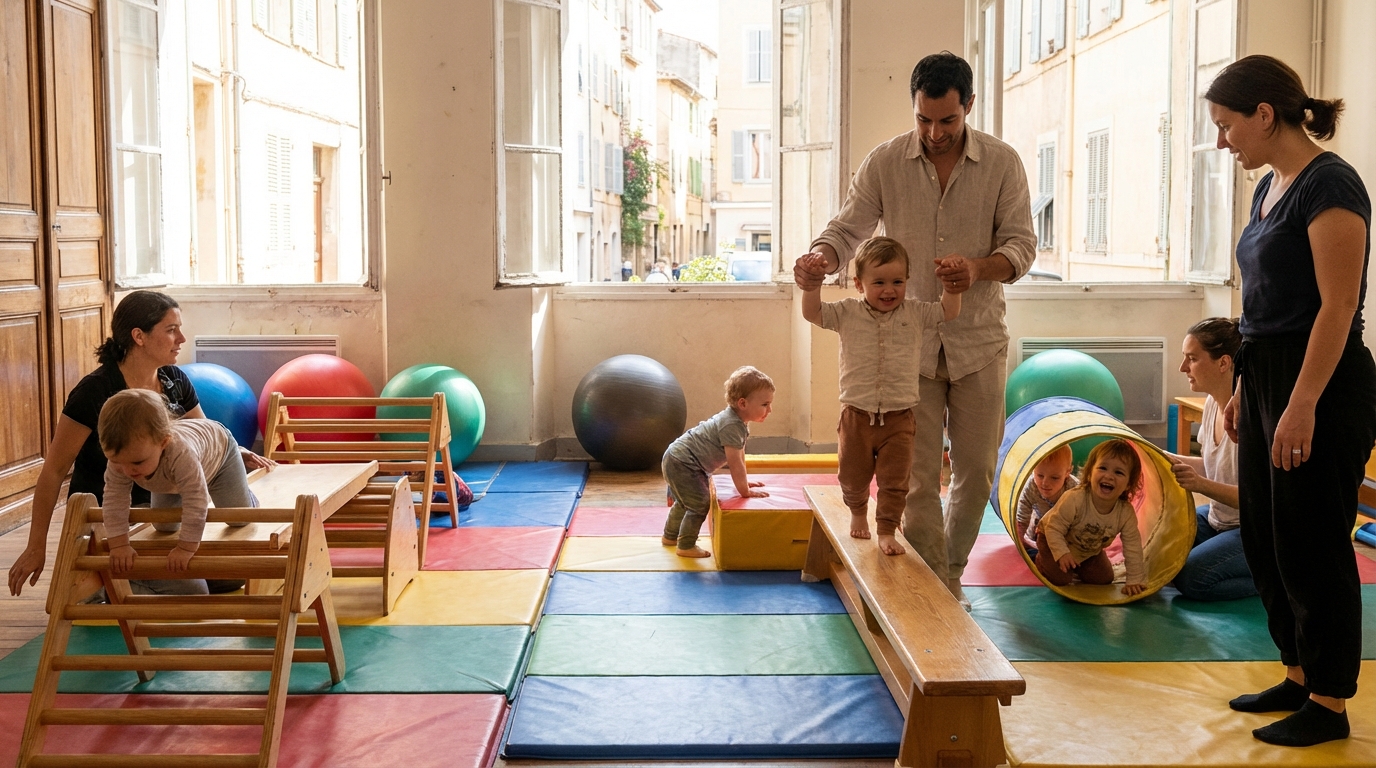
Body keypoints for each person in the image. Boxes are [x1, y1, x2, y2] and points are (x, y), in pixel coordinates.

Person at [793, 51, 1035, 608]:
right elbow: (848, 227)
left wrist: (978, 269)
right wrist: (820, 258)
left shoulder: (1003, 163)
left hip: (978, 341)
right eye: (924, 120)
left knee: (975, 470)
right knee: (920, 476)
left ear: (968, 107)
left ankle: (950, 570)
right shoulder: (885, 162)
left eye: (947, 121)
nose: (934, 133)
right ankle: (937, 587)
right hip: (908, 351)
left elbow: (1021, 247)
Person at [1207, 55, 1376, 747]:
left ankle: (1330, 704)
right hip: (1268, 372)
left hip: (1323, 381)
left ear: (1265, 115)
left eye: (1226, 126)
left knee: (1311, 543)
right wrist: (1246, 384)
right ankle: (1299, 672)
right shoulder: (1269, 187)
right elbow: (1262, 305)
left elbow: (1339, 305)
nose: (1222, 141)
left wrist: (1303, 401)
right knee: (1266, 539)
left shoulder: (1330, 183)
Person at [7, 290, 271, 597]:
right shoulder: (95, 391)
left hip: (159, 513)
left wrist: (234, 452)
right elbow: (54, 471)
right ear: (139, 336)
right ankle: (98, 586)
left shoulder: (175, 380)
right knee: (191, 588)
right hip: (113, 515)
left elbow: (201, 431)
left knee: (230, 578)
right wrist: (36, 546)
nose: (182, 338)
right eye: (171, 330)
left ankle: (125, 579)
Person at [799, 237, 960, 556]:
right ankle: (858, 509)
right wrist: (812, 284)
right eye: (879, 282)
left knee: (896, 481)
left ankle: (887, 529)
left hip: (900, 418)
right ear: (859, 284)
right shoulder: (847, 312)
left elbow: (947, 313)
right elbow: (812, 312)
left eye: (897, 281)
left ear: (907, 282)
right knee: (851, 475)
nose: (889, 290)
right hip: (857, 416)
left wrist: (951, 288)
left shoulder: (914, 312)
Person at [99, 390, 257, 573]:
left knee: (239, 518)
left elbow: (196, 500)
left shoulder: (181, 454)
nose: (126, 470)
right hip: (173, 477)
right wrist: (119, 545)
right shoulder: (123, 457)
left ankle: (245, 494)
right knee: (164, 525)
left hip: (220, 454)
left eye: (137, 462)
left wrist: (186, 547)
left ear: (163, 443)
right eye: (117, 462)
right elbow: (114, 499)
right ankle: (195, 483)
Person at [1167, 318, 1255, 601]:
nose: (1183, 368)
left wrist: (1200, 485)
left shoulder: (1251, 419)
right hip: (1219, 518)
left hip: (1255, 528)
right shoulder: (1211, 405)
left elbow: (1259, 501)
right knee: (1161, 556)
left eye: (1192, 359)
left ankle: (1279, 581)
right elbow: (1212, 467)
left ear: (1224, 363)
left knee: (1192, 579)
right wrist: (1159, 456)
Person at [661, 366, 774, 558]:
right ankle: (686, 545)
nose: (769, 410)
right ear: (743, 403)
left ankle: (670, 536)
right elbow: (734, 463)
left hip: (678, 458)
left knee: (684, 501)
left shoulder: (738, 422)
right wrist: (744, 491)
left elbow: (740, 454)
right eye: (765, 404)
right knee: (699, 503)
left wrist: (744, 482)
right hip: (684, 462)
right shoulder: (731, 425)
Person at [1033, 439, 1146, 596]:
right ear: (1090, 472)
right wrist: (1062, 553)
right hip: (1051, 537)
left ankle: (1078, 564)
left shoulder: (1125, 513)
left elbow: (1133, 547)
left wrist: (1134, 580)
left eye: (1118, 472)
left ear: (1128, 484)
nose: (1109, 476)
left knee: (1104, 578)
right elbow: (1053, 527)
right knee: (1061, 579)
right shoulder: (1075, 498)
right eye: (1102, 468)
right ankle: (1040, 559)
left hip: (1087, 548)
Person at [1015, 444, 1077, 558]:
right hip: (1040, 525)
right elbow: (1023, 511)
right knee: (1036, 546)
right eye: (1039, 475)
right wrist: (1021, 540)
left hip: (1066, 527)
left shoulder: (1074, 488)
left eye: (1054, 478)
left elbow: (1083, 514)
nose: (1045, 483)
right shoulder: (1032, 486)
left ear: (1068, 472)